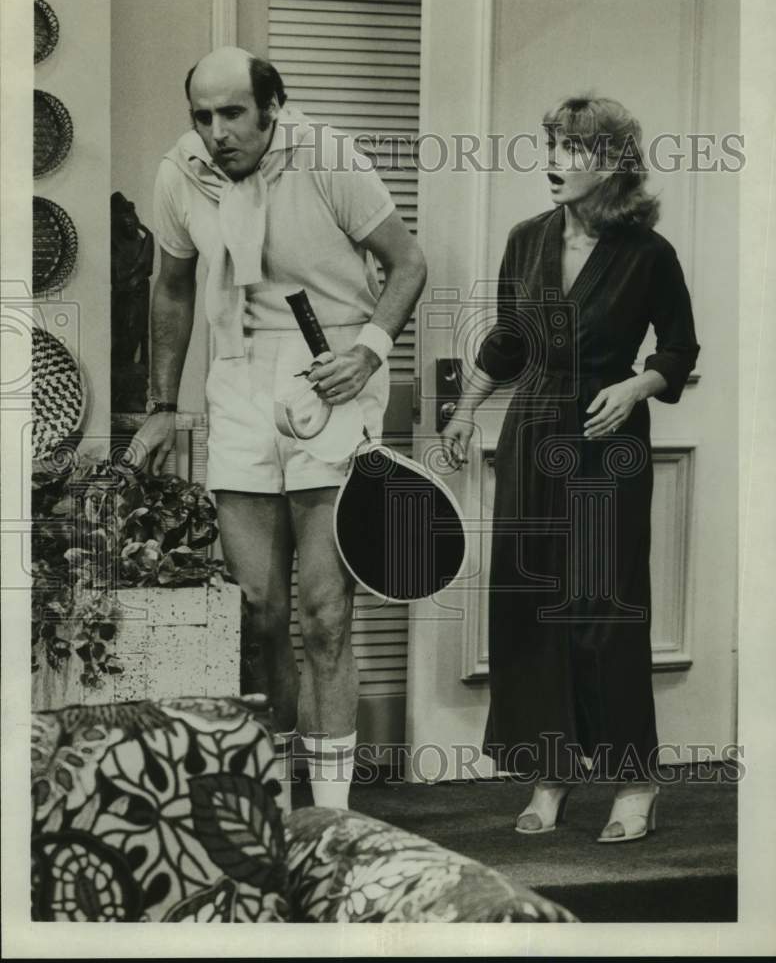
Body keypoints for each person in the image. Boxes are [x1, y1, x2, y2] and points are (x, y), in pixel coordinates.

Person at [128, 47, 426, 813]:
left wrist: (368, 354)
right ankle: (276, 802)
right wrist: (163, 404)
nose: (217, 131)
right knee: (259, 611)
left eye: (233, 114)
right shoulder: (180, 172)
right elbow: (171, 286)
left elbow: (408, 262)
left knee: (326, 613)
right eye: (203, 116)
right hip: (236, 380)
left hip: (331, 368)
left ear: (272, 108)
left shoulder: (328, 156)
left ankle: (332, 815)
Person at [441, 94, 699, 842]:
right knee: (531, 609)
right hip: (531, 434)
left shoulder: (649, 255)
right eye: (551, 144)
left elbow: (678, 351)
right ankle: (551, 773)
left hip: (606, 443)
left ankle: (634, 778)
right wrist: (463, 413)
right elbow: (506, 345)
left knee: (602, 612)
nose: (553, 161)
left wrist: (637, 385)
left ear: (613, 163)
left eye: (574, 149)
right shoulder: (526, 240)